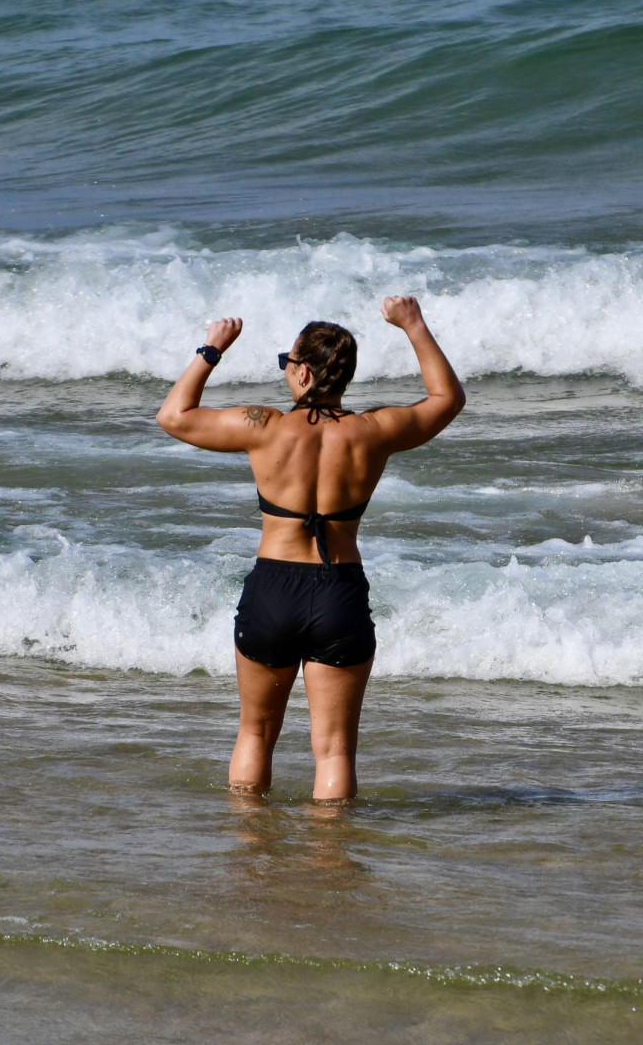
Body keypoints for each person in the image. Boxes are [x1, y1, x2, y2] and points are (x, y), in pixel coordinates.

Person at [156, 295, 465, 801]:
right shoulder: (373, 432)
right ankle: (332, 846)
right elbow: (447, 398)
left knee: (255, 733)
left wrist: (212, 349)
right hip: (339, 590)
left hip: (273, 589)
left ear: (302, 372)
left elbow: (173, 415)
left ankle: (251, 842)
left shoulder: (265, 427)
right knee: (335, 750)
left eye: (287, 361)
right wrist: (413, 325)